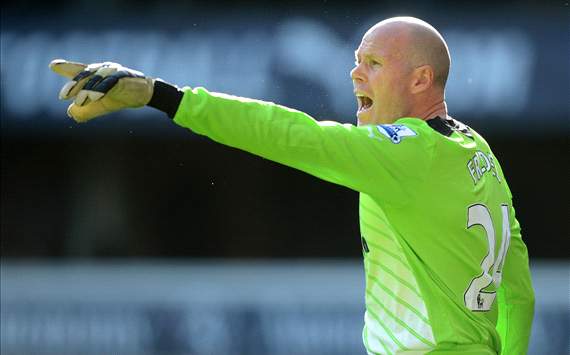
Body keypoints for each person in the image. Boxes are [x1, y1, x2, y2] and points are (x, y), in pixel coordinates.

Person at [50, 16, 534, 355]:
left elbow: (291, 136)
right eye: (356, 60)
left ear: (420, 79)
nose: (355, 72)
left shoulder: (404, 151)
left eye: (374, 63)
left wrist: (162, 96)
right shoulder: (477, 152)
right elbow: (518, 295)